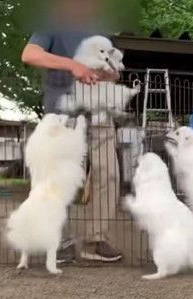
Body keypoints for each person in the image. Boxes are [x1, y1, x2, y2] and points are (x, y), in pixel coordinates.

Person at [21, 0, 123, 262]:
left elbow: (115, 71)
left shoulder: (103, 30)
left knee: (108, 173)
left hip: (99, 109)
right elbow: (30, 54)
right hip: (62, 113)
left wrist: (108, 74)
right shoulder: (52, 24)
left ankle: (96, 240)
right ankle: (59, 241)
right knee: (57, 176)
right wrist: (72, 65)